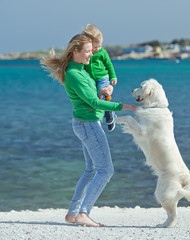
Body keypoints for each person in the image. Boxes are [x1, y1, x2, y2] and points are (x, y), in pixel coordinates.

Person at [40, 34, 137, 227]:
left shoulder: (82, 69)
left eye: (92, 52)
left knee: (91, 169)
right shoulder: (74, 74)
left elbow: (95, 96)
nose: (90, 56)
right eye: (87, 52)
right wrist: (127, 107)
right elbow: (92, 102)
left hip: (87, 123)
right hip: (88, 125)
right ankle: (83, 213)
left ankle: (73, 213)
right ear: (75, 52)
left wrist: (106, 90)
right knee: (106, 170)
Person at [82, 24, 117, 131]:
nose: (98, 48)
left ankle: (109, 112)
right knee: (94, 97)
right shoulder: (87, 52)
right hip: (91, 78)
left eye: (100, 45)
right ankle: (100, 114)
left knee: (102, 94)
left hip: (103, 77)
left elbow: (109, 65)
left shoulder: (102, 52)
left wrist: (113, 76)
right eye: (95, 46)